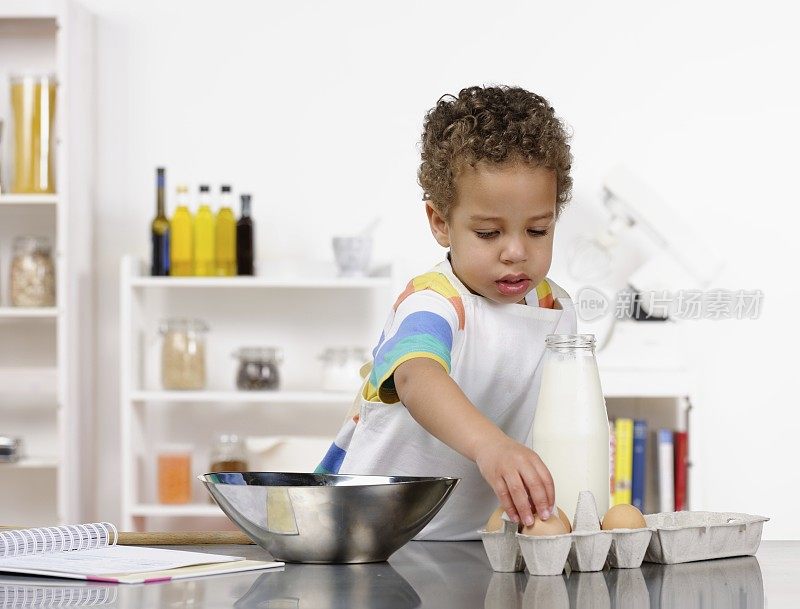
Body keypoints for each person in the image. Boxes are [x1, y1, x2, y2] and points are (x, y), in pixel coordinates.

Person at [316, 85, 577, 540]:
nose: (516, 252)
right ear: (440, 222)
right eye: (489, 232)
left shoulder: (554, 307)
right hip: (373, 530)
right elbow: (418, 377)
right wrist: (491, 446)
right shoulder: (434, 301)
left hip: (472, 538)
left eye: (538, 229)